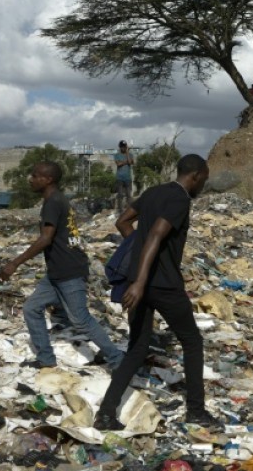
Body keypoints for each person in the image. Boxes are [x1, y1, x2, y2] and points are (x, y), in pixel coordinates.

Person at [94, 154, 219, 430]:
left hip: (138, 285)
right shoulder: (180, 199)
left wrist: (137, 260)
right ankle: (196, 411)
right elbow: (155, 235)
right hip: (161, 285)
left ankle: (105, 414)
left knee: (137, 348)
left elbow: (123, 222)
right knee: (191, 341)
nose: (203, 185)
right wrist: (141, 280)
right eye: (204, 179)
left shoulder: (152, 193)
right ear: (196, 175)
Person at [0, 161, 124, 370]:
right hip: (57, 271)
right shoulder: (56, 200)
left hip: (68, 271)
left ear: (48, 180)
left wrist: (14, 263)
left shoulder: (53, 202)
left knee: (81, 320)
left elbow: (45, 238)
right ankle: (46, 359)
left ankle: (118, 360)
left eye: (35, 175)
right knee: (32, 308)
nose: (31, 178)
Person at [113, 140, 134, 212]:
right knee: (120, 195)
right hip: (119, 178)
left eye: (124, 147)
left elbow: (130, 162)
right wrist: (126, 162)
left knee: (129, 195)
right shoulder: (116, 155)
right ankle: (120, 211)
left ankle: (130, 210)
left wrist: (127, 153)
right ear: (120, 147)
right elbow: (118, 164)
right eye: (122, 147)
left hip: (128, 178)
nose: (123, 148)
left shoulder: (130, 154)